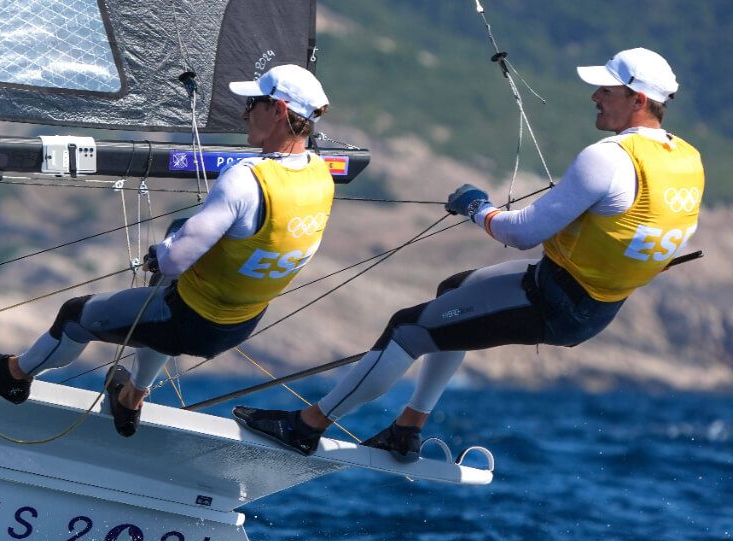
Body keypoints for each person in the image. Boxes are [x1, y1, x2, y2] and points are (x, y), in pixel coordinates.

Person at [234, 47, 704, 459]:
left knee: (407, 329)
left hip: (553, 300)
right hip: (590, 304)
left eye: (605, 90)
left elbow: (522, 233)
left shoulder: (608, 158)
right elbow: (672, 234)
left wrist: (477, 208)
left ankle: (305, 428)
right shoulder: (687, 159)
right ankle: (406, 431)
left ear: (637, 100)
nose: (595, 97)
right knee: (453, 290)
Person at [0, 64, 336, 437]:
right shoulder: (321, 176)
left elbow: (175, 258)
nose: (245, 112)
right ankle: (130, 397)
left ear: (279, 109)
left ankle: (14, 376)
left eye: (253, 104)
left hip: (190, 320)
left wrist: (160, 251)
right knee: (167, 280)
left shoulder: (247, 179)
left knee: (74, 315)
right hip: (241, 324)